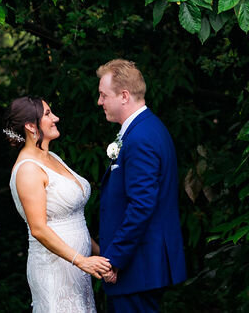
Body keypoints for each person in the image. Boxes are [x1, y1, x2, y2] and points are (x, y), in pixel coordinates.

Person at [6, 96, 112, 312]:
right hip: (54, 270)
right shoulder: (28, 169)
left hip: (77, 269)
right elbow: (39, 229)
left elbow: (70, 221)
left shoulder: (52, 156)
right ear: (30, 126)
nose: (56, 118)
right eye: (47, 114)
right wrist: (81, 260)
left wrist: (98, 253)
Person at [96, 59, 186, 312]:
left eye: (104, 95)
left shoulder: (141, 138)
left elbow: (142, 205)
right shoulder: (144, 129)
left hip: (138, 266)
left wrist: (115, 259)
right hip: (142, 266)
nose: (100, 102)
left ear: (124, 96)